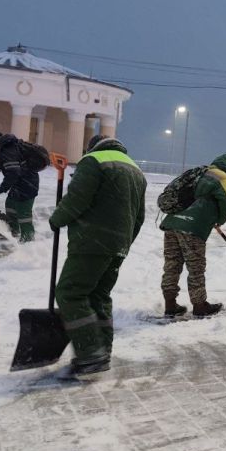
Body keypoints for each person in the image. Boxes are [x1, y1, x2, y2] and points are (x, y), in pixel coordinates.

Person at [49, 135, 147, 376]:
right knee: (98, 295)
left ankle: (91, 353)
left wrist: (57, 219)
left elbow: (77, 199)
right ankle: (102, 351)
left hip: (91, 241)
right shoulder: (136, 170)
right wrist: (123, 241)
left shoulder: (93, 161)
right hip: (118, 245)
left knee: (70, 292)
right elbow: (140, 216)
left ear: (91, 147)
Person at [159, 153, 226, 318]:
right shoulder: (222, 178)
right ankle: (199, 305)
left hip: (172, 223)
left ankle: (170, 304)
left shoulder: (199, 173)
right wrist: (219, 220)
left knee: (172, 264)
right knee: (195, 267)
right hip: (192, 227)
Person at [0, 129, 40, 242]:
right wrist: (1, 164)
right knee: (10, 204)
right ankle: (13, 231)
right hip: (21, 182)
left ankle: (28, 239)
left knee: (23, 212)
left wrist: (2, 188)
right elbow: (15, 164)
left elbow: (13, 173)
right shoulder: (8, 147)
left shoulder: (7, 149)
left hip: (27, 184)